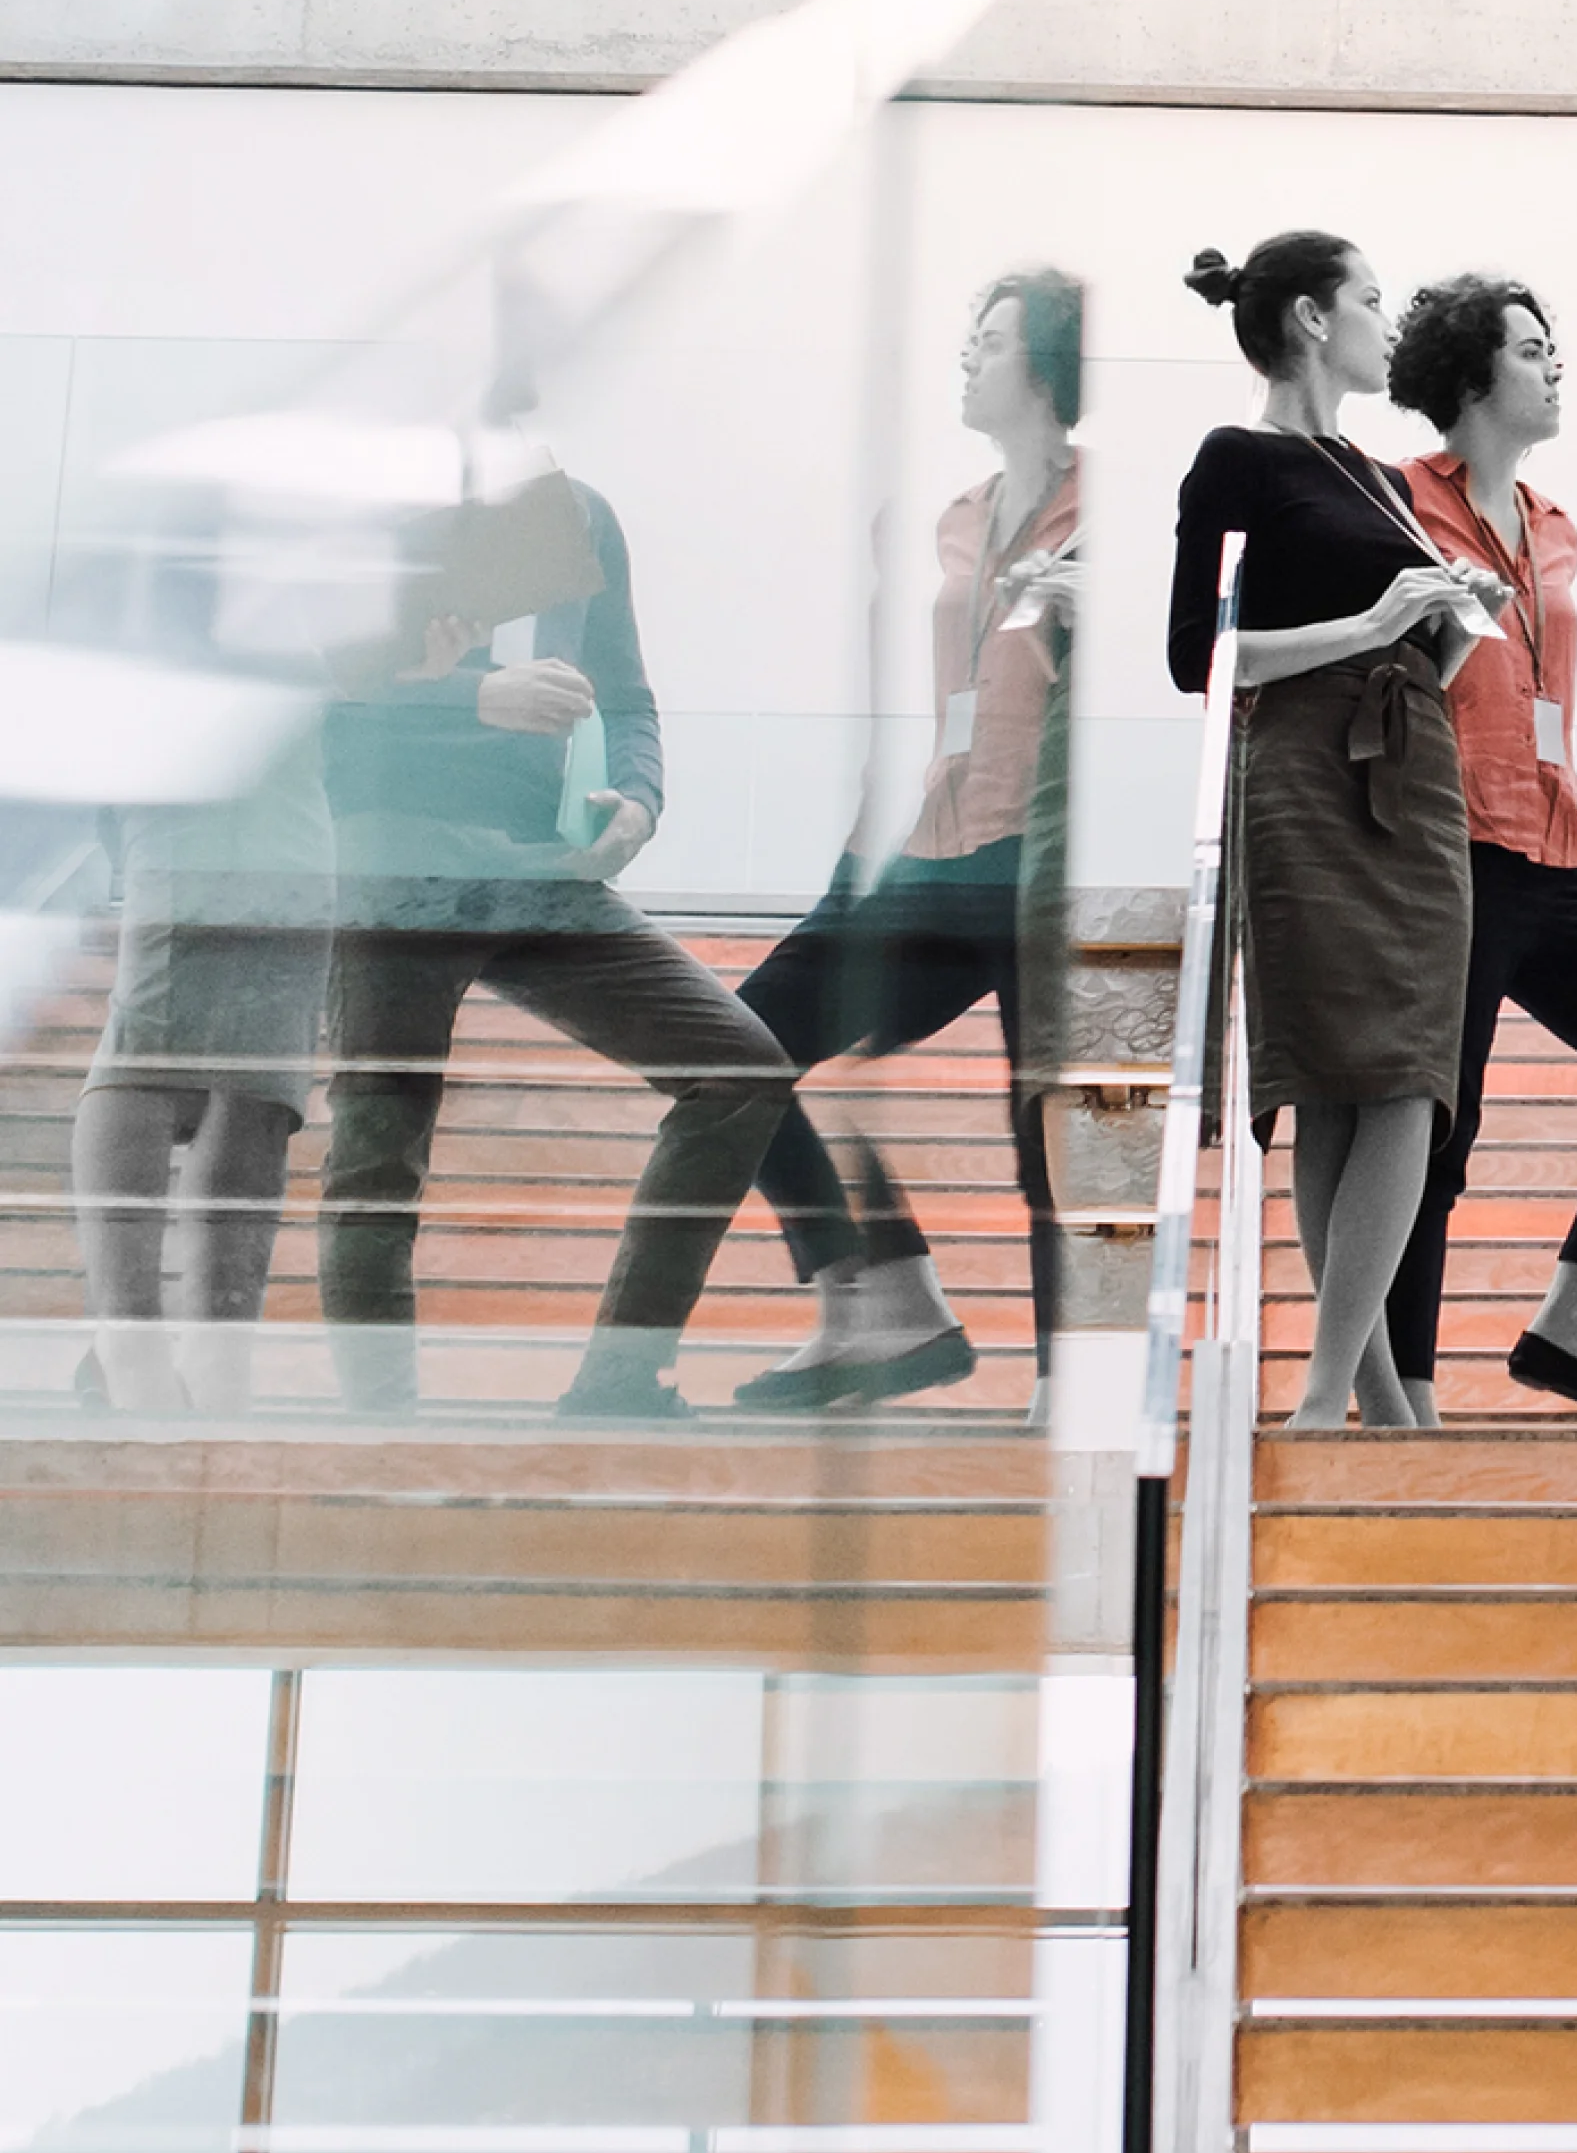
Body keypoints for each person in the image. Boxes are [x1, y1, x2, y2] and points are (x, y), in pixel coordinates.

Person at [317, 468, 802, 1423]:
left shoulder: (580, 513)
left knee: (741, 1070)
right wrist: (474, 694)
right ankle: (383, 1441)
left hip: (545, 868)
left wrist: (641, 802)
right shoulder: (380, 495)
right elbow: (322, 684)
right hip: (396, 864)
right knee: (378, 1154)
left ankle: (619, 1383)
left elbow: (627, 695)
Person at [701, 268, 1088, 1416]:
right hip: (929, 849)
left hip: (1043, 856)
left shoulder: (1113, 509)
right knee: (733, 1049)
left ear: (1046, 366)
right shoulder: (954, 515)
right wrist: (852, 866)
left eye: (991, 341)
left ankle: (1067, 1381)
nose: (968, 357)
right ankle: (884, 1299)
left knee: (1048, 1127)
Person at [1168, 232, 1500, 1435]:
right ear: (1312, 319)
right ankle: (1342, 1397)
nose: (1382, 319)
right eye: (1367, 297)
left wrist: (1452, 621)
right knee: (1333, 1084)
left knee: (1407, 1078)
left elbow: (1415, 655)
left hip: (1413, 771)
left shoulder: (1377, 475)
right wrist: (1371, 623)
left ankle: (1355, 1400)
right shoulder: (1234, 457)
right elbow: (1196, 657)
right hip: (1302, 769)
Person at [1383, 274, 1577, 1422]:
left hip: (1560, 853)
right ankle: (1406, 1399)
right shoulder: (1395, 500)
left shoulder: (1555, 524)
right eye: (1529, 348)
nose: (1554, 364)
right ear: (1471, 375)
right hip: (1449, 850)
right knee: (1432, 1131)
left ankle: (1570, 1314)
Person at [69, 737, 333, 1420]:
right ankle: (129, 1341)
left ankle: (218, 1352)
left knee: (267, 1058)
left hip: (293, 770)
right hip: (189, 737)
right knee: (154, 1024)